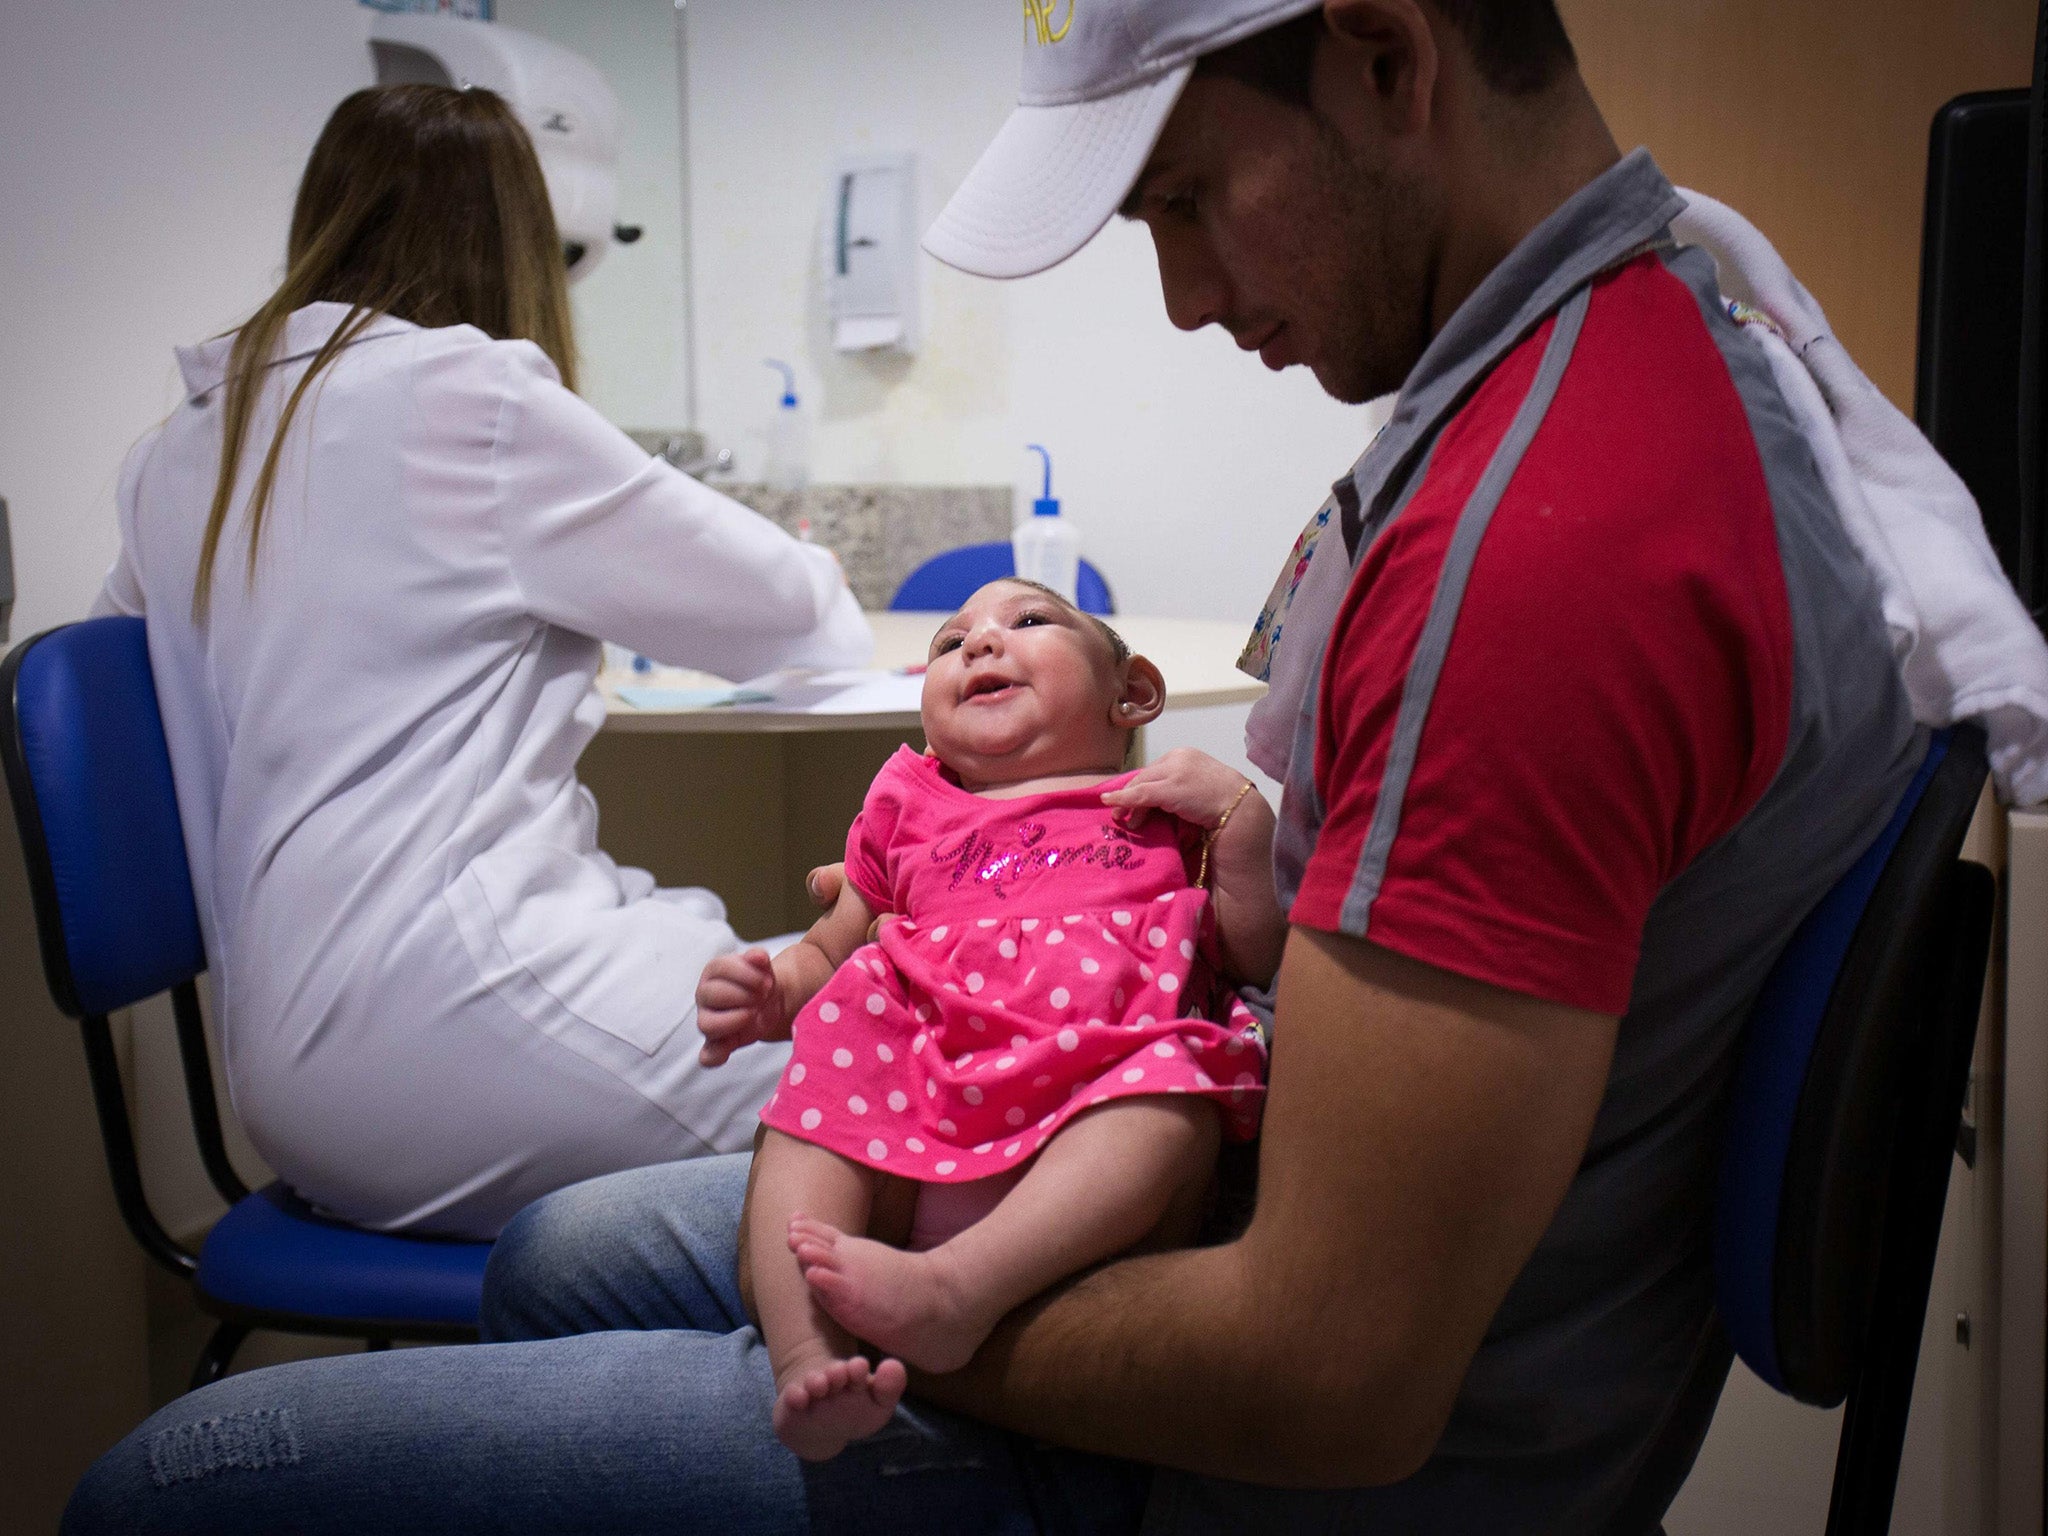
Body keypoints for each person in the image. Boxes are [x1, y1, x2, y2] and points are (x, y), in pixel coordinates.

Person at [64, 1, 1925, 1530]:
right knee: (557, 1254)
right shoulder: (1645, 355)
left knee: (179, 1480)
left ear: (1384, 58)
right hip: (1273, 1212)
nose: (1185, 297)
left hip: (1269, 1466)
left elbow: (1327, 1378)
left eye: (1186, 196)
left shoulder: (1533, 543)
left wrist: (899, 1323)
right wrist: (1272, 892)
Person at [89, 83, 870, 1239]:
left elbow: (126, 686)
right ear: (518, 243)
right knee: (934, 1052)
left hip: (282, 1086)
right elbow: (797, 613)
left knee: (765, 968)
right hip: (457, 1030)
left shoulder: (175, 450)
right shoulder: (469, 395)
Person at [705, 579, 1276, 1458]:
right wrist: (773, 993)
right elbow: (828, 950)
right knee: (813, 1101)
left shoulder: (1169, 807)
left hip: (1089, 1117)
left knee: (1173, 1099)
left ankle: (955, 1292)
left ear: (1133, 693)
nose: (978, 645)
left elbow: (1251, 954)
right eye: (950, 642)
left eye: (1030, 621)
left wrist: (1241, 826)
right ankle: (805, 1358)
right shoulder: (904, 807)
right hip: (916, 1091)